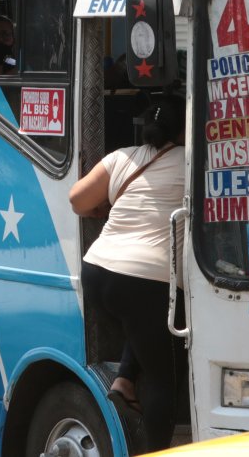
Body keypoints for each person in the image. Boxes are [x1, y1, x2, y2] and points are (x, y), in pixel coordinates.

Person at [68, 94, 186, 452]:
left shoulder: (123, 157)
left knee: (142, 328)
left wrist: (105, 207)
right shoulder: (195, 161)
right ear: (186, 127)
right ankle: (157, 449)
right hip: (146, 280)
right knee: (165, 377)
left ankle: (124, 381)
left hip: (97, 272)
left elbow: (77, 200)